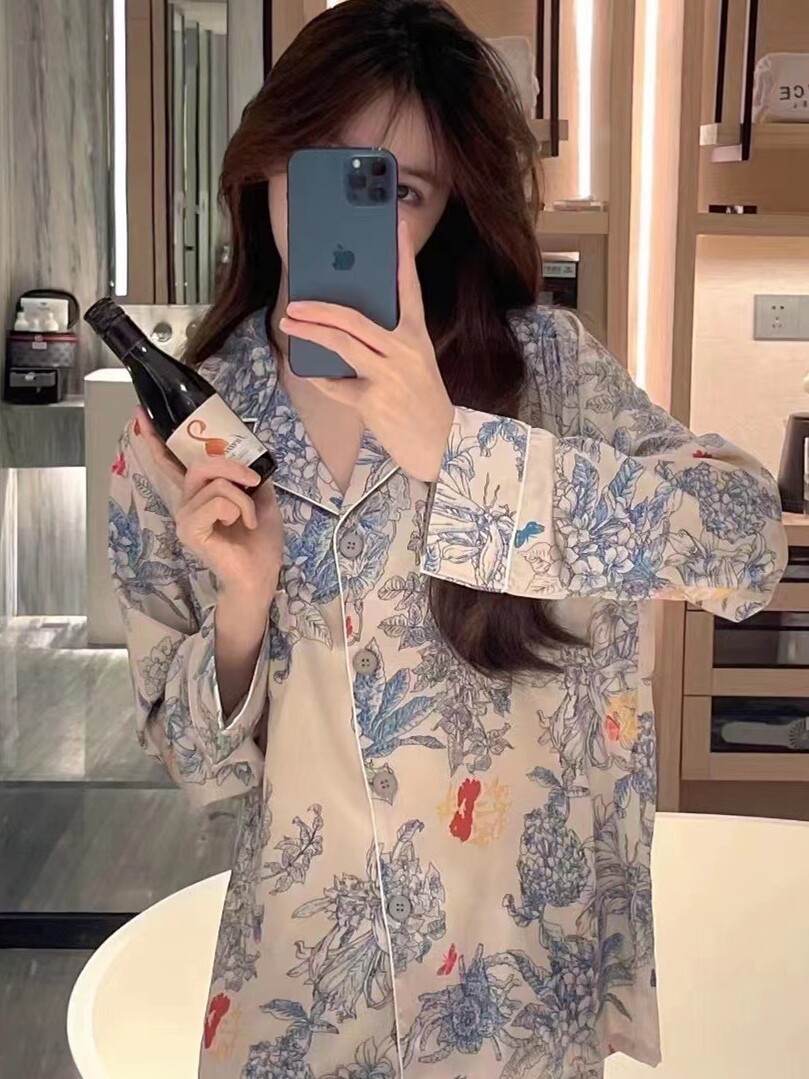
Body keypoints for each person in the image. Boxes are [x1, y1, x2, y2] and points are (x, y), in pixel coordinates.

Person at [108, 1, 787, 1076]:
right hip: (297, 999)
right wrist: (242, 607)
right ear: (267, 162)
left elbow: (746, 546)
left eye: (402, 190)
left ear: (445, 209)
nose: (360, 214)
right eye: (329, 168)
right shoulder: (183, 435)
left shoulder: (542, 369)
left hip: (513, 994)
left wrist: (459, 452)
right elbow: (197, 770)